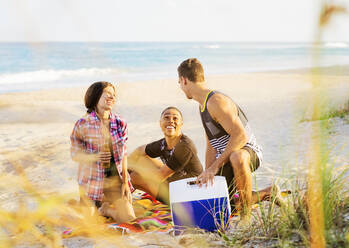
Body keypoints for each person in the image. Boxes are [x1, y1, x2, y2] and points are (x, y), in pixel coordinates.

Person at [177, 58, 280, 222]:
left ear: (184, 80)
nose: (181, 88)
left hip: (247, 151)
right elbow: (211, 144)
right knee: (226, 205)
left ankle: (245, 219)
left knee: (237, 156)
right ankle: (268, 193)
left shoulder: (216, 101)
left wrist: (215, 167)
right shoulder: (202, 105)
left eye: (179, 83)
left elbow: (241, 136)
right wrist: (207, 172)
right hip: (227, 158)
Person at [70, 81, 135, 223]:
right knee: (89, 224)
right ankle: (94, 205)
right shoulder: (83, 123)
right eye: (107, 93)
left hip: (115, 180)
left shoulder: (120, 122)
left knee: (129, 219)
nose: (111, 97)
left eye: (113, 95)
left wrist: (125, 182)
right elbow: (75, 154)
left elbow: (124, 154)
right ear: (95, 96)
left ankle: (106, 209)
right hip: (91, 182)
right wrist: (95, 157)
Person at [128, 106, 203, 205]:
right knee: (140, 159)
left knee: (134, 177)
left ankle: (124, 193)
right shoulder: (164, 144)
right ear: (160, 123)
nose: (171, 121)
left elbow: (159, 176)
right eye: (166, 118)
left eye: (175, 118)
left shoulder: (185, 146)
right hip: (174, 182)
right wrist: (125, 168)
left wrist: (132, 172)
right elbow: (140, 150)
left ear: (181, 124)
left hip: (189, 193)